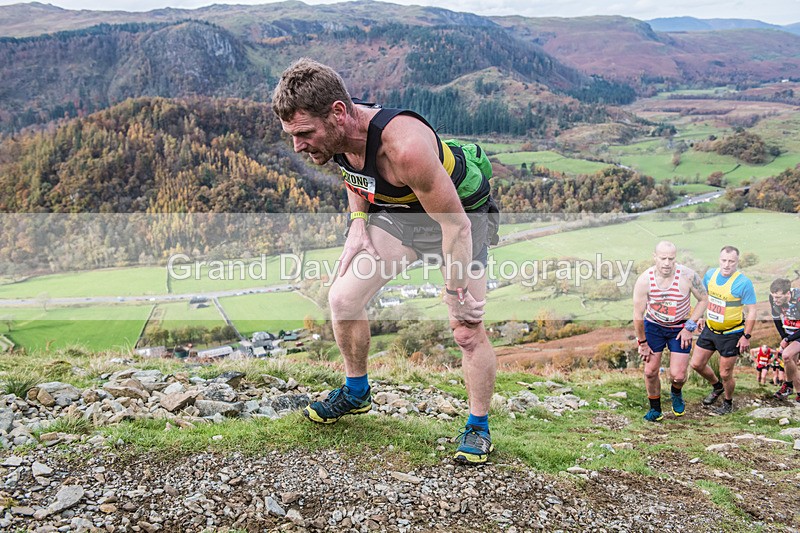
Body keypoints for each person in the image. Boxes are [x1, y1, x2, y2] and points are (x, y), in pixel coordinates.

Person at [271, 58, 500, 464]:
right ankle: (356, 392)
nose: (298, 146)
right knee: (343, 299)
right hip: (404, 216)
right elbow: (353, 171)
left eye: (304, 133)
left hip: (461, 219)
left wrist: (453, 290)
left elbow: (457, 227)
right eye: (292, 135)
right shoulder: (338, 133)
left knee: (466, 329)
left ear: (339, 113)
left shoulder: (405, 147)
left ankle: (478, 428)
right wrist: (359, 222)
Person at [632, 241, 708, 422]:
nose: (667, 263)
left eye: (671, 259)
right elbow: (637, 313)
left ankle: (676, 392)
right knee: (650, 371)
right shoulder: (644, 280)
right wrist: (642, 343)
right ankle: (655, 409)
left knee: (678, 375)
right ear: (655, 257)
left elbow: (704, 299)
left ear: (676, 258)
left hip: (679, 327)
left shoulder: (688, 276)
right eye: (663, 258)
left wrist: (690, 327)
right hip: (654, 326)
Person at [690, 246, 756, 415]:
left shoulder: (743, 283)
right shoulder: (710, 275)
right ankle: (716, 386)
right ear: (719, 260)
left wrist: (746, 336)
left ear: (737, 262)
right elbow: (704, 298)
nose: (727, 265)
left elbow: (752, 311)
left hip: (731, 333)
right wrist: (702, 317)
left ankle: (728, 402)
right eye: (724, 260)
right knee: (696, 364)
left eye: (731, 261)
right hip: (710, 329)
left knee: (725, 373)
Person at [769, 278, 800, 402]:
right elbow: (776, 318)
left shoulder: (798, 300)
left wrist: (788, 339)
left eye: (778, 297)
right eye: (773, 297)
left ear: (788, 293)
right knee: (791, 361)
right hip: (791, 331)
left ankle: (787, 385)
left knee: (786, 355)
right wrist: (784, 337)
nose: (775, 300)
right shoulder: (773, 298)